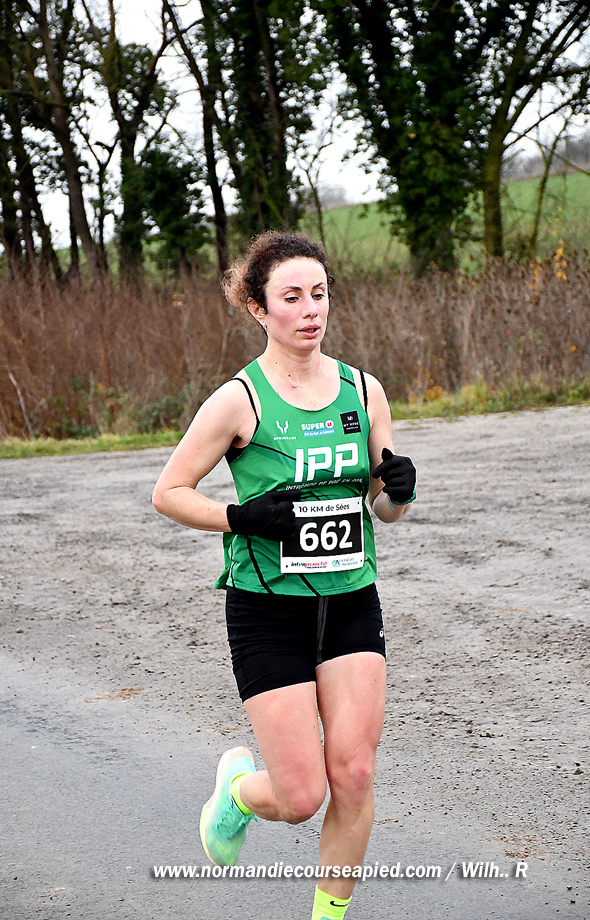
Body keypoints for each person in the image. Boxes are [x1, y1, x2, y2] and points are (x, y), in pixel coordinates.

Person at [152, 231, 416, 920]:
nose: (310, 310)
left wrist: (399, 491)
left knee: (355, 772)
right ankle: (239, 793)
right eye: (291, 297)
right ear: (257, 308)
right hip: (267, 607)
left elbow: (383, 508)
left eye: (319, 294)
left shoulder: (363, 390)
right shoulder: (238, 400)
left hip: (350, 598)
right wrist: (239, 517)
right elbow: (169, 492)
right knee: (300, 798)